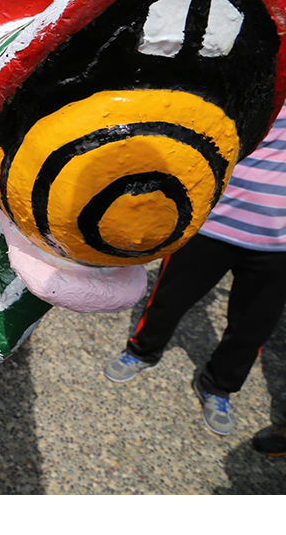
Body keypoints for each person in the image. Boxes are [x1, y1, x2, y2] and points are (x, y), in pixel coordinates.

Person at [104, 103, 286, 436]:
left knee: (252, 327)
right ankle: (141, 350)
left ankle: (218, 387)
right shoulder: (265, 72)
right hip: (213, 223)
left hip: (278, 245)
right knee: (169, 299)